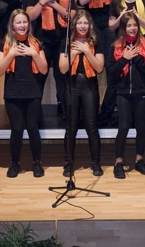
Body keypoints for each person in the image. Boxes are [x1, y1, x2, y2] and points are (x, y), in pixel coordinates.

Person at [0, 9, 48, 178]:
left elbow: (44, 69)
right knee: (17, 129)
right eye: (18, 22)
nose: (22, 25)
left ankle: (37, 162)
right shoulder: (4, 44)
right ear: (12, 25)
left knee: (33, 128)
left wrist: (33, 53)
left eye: (25, 22)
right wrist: (11, 54)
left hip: (33, 92)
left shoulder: (36, 44)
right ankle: (15, 163)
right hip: (13, 93)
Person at [107, 12, 145, 179]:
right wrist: (124, 59)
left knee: (141, 127)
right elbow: (111, 73)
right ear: (123, 27)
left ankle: (139, 160)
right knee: (123, 127)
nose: (132, 28)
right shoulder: (115, 46)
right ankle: (118, 162)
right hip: (123, 93)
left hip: (141, 92)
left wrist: (138, 58)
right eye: (129, 25)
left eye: (135, 25)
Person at [58, 10, 105, 177]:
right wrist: (74, 52)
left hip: (89, 86)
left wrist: (86, 50)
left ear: (90, 25)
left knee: (92, 126)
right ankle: (69, 163)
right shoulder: (66, 42)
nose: (83, 26)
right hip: (72, 86)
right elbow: (62, 68)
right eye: (79, 23)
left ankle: (96, 162)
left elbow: (99, 67)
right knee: (71, 127)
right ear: (74, 25)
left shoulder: (96, 41)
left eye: (86, 23)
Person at [26, 0, 74, 113]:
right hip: (43, 41)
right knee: (40, 75)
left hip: (62, 40)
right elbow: (29, 16)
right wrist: (43, 1)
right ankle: (35, 111)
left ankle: (64, 111)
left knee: (61, 76)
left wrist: (55, 4)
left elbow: (72, 16)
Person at [79, 0, 119, 124]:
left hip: (112, 26)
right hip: (92, 25)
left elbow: (119, 2)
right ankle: (90, 110)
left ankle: (107, 111)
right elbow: (82, 0)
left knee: (111, 69)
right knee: (91, 67)